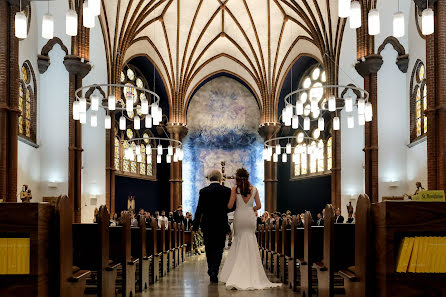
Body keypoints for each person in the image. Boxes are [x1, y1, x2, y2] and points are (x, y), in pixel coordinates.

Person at [219, 168, 281, 290]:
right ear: (247, 178)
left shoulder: (235, 189)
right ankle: (251, 273)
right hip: (249, 217)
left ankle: (236, 273)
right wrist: (250, 209)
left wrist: (227, 204)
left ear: (237, 178)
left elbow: (230, 206)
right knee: (251, 240)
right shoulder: (254, 189)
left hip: (239, 217)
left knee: (238, 240)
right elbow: (259, 205)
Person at [192, 170, 233, 284]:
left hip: (207, 224)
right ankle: (215, 270)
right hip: (221, 224)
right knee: (219, 249)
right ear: (220, 179)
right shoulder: (226, 191)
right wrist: (224, 210)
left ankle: (211, 268)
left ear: (209, 179)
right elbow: (231, 206)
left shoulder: (203, 191)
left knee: (209, 248)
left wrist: (195, 225)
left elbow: (199, 209)